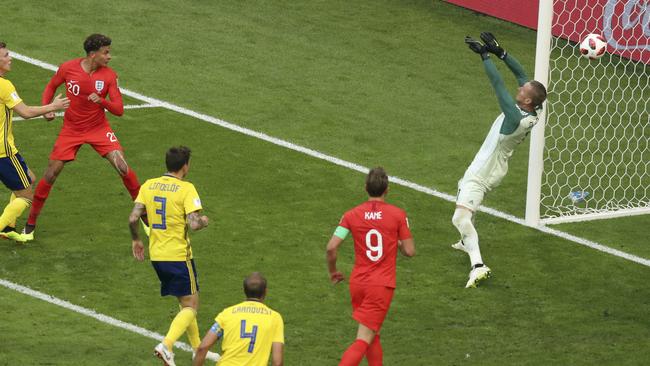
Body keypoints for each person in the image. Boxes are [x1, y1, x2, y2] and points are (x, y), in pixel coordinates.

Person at [22, 33, 147, 241]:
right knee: (51, 173)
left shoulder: (109, 76)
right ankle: (31, 224)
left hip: (99, 128)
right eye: (105, 52)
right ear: (92, 54)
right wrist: (47, 109)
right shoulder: (67, 68)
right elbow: (52, 86)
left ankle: (145, 215)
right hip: (71, 129)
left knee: (123, 167)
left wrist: (101, 101)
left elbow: (119, 110)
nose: (109, 57)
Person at [453, 33, 547, 288]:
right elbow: (521, 76)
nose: (520, 87)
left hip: (485, 170)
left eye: (523, 90)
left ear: (527, 100)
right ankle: (466, 240)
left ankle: (478, 265)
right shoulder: (536, 109)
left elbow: (499, 87)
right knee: (464, 190)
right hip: (496, 166)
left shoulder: (513, 118)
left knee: (460, 218)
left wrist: (485, 57)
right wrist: (501, 52)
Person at [326, 167, 415, 366]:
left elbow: (331, 247)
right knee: (364, 337)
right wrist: (396, 241)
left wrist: (333, 272)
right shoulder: (398, 215)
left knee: (372, 333)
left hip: (358, 284)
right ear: (387, 190)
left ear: (365, 188)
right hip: (380, 286)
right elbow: (409, 251)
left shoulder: (350, 215)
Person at [128, 146, 209, 366]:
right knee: (192, 305)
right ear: (185, 166)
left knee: (185, 302)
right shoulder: (186, 189)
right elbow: (193, 224)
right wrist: (203, 221)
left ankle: (197, 349)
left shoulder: (149, 185)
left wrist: (136, 240)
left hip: (157, 256)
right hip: (179, 256)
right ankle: (166, 345)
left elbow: (134, 218)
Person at [0, 41, 69, 242]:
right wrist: (52, 106)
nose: (10, 58)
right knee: (26, 196)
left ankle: (8, 228)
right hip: (3, 152)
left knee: (29, 177)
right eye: (5, 56)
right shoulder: (4, 85)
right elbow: (26, 112)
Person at [193, 272, 285, 366]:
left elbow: (202, 348)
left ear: (244, 290)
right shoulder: (274, 318)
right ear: (265, 291)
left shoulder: (227, 314)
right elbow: (277, 362)